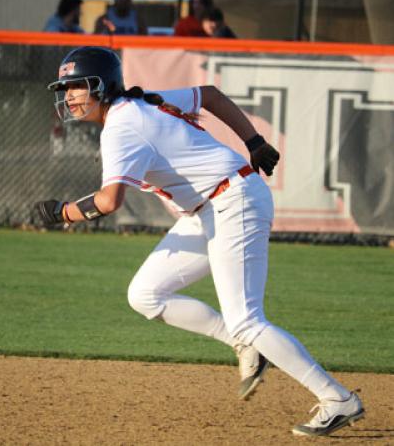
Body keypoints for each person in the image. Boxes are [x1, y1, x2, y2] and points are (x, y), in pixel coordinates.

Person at [34, 46, 365, 437]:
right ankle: (244, 346)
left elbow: (109, 201)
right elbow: (209, 95)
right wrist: (253, 140)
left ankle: (336, 398)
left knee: (247, 318)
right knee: (145, 294)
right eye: (65, 88)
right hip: (209, 208)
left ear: (102, 85)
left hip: (232, 201)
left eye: (77, 85)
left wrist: (62, 212)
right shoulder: (137, 103)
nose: (69, 95)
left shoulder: (122, 124)